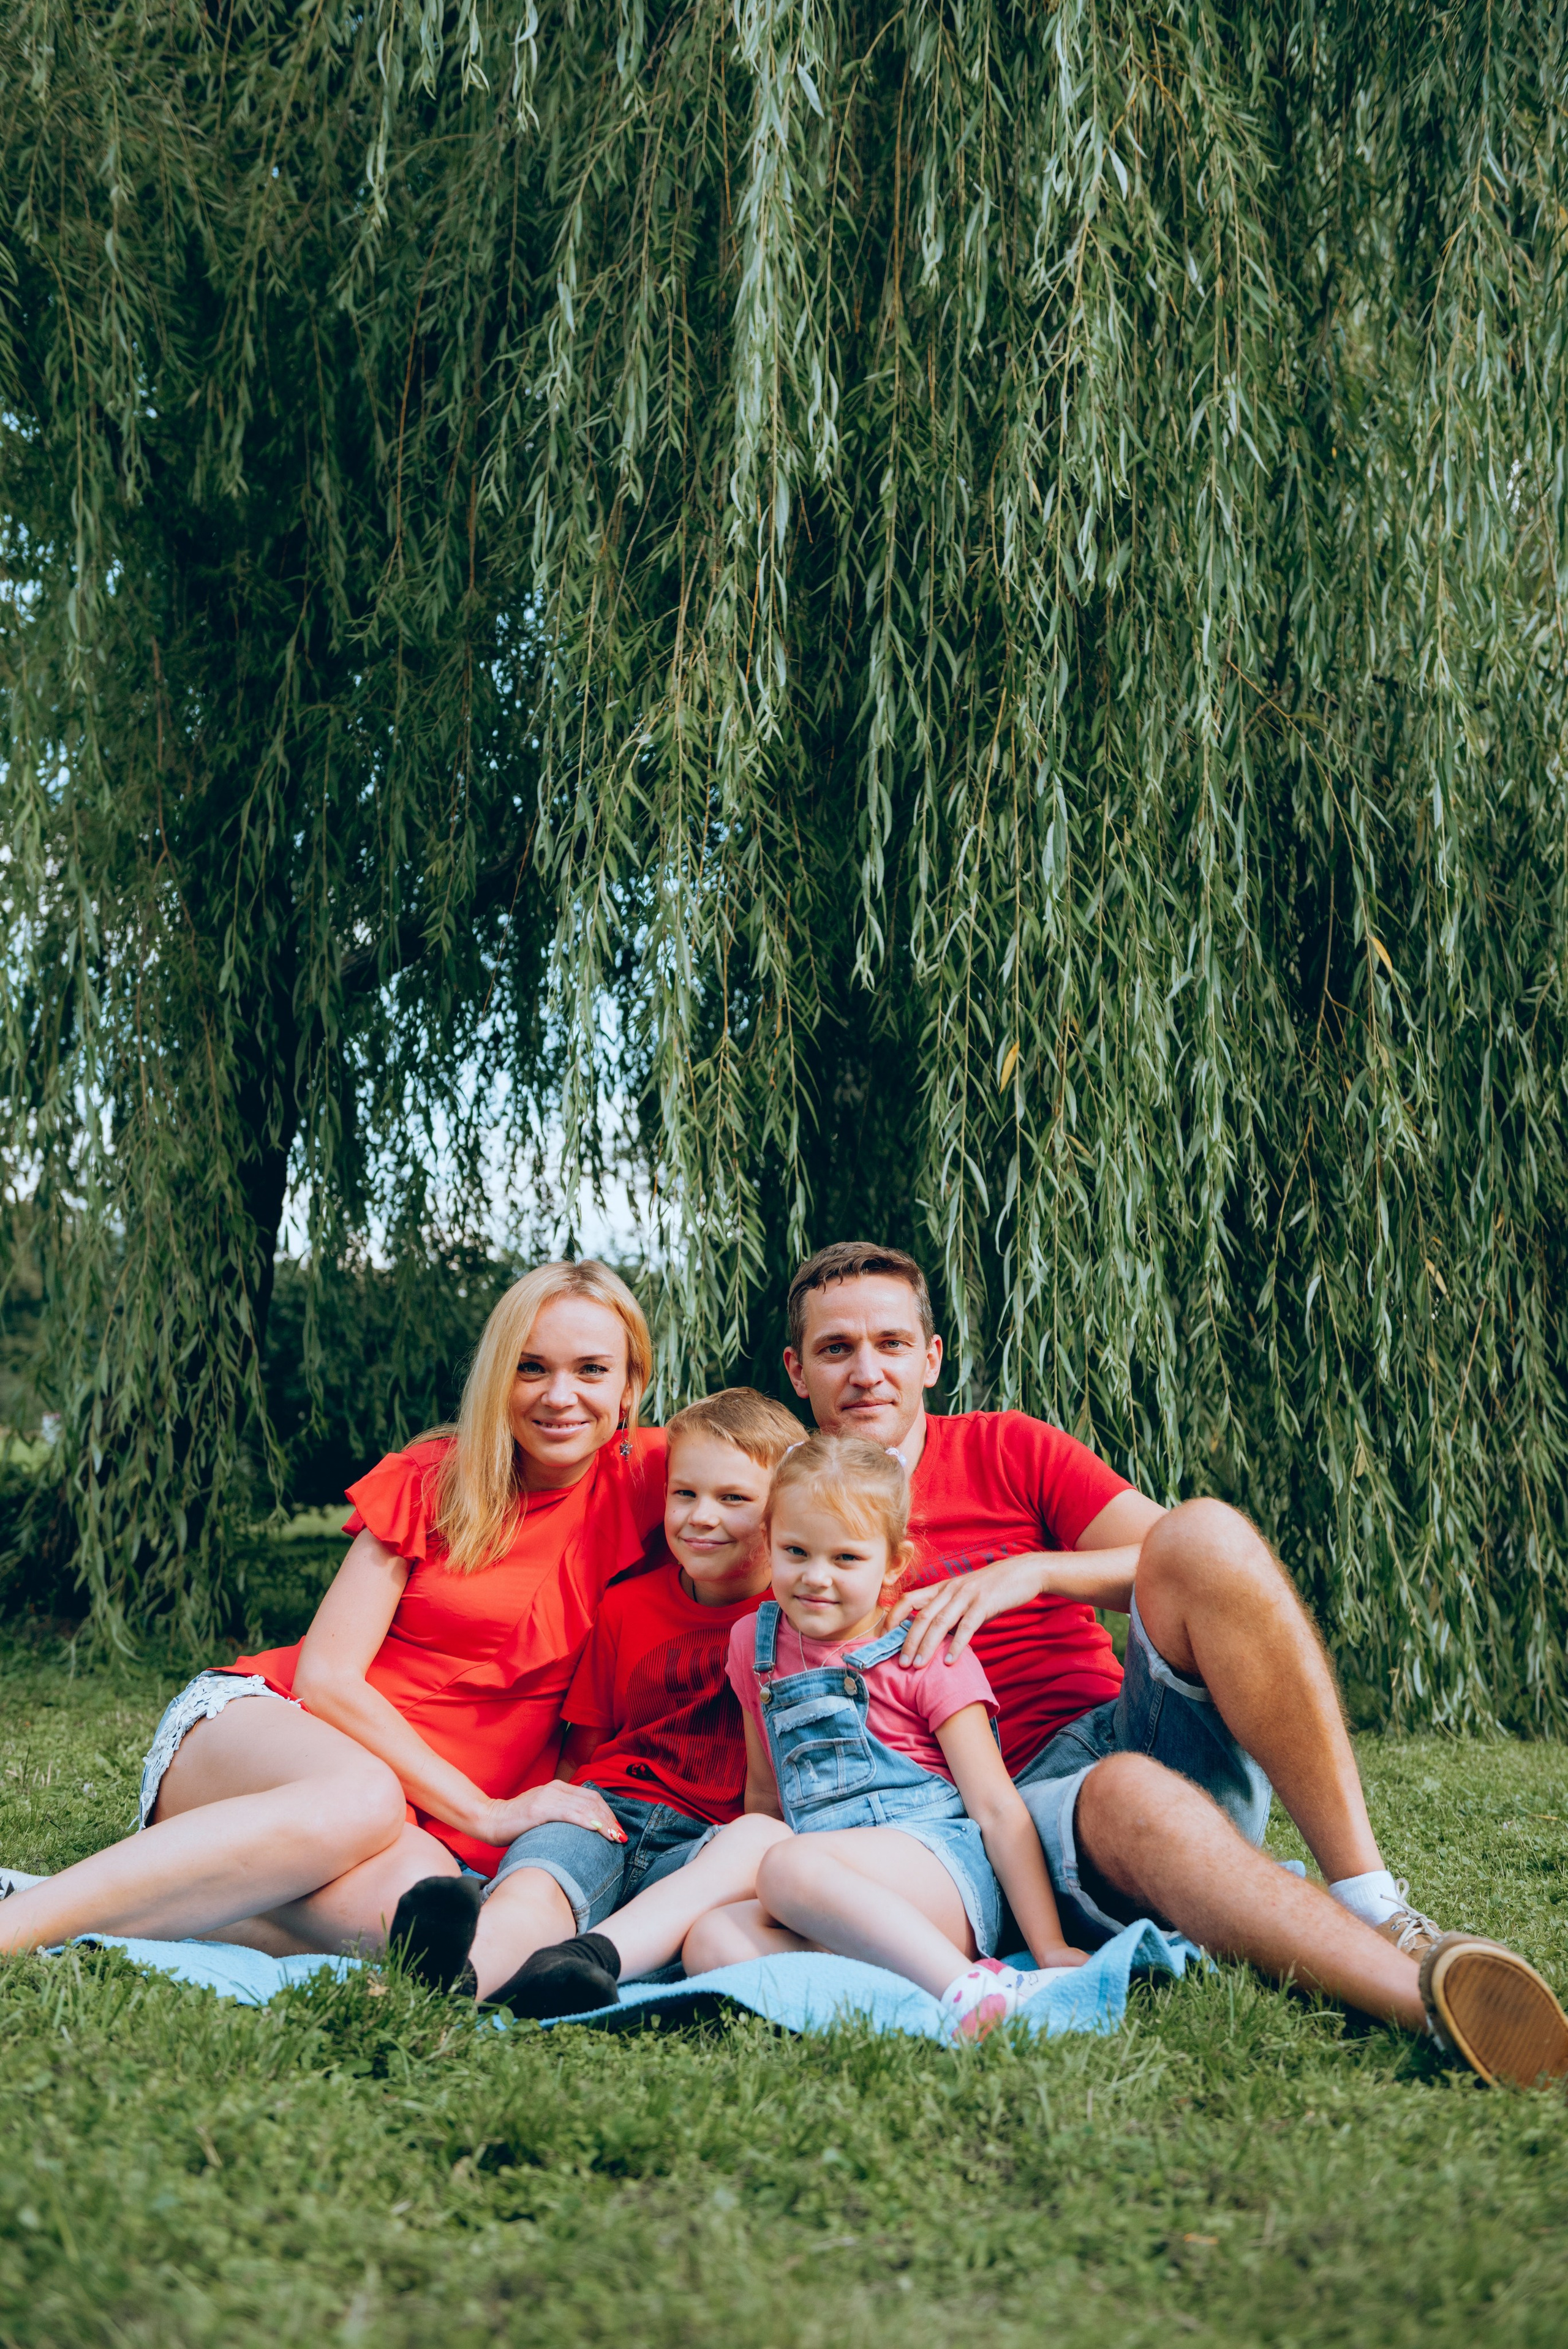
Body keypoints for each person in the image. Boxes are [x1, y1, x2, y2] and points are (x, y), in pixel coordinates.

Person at [770, 1240, 1568, 2087]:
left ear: (931, 1358)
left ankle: (1374, 1900)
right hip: (997, 1812)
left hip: (1125, 1726)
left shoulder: (1010, 1448)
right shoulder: (795, 1515)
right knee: (1123, 1791)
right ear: (796, 1369)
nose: (867, 1371)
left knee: (1207, 1530)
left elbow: (1171, 1558)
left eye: (891, 1343)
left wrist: (1036, 1568)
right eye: (836, 1348)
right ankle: (1429, 2003)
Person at [0, 1260, 665, 1960]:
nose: (560, 1396)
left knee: (429, 1920)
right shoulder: (436, 1478)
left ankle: (108, 1897)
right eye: (531, 1367)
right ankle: (16, 1930)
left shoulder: (670, 1486)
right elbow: (326, 1678)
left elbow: (780, 1470)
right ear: (499, 1377)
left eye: (591, 1370)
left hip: (422, 1825)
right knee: (362, 1795)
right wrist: (487, 1812)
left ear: (630, 1387)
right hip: (273, 1739)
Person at [393, 1387, 802, 2010]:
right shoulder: (628, 1606)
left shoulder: (794, 1624)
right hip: (606, 1809)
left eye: (734, 1499)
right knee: (540, 1884)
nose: (701, 1516)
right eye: (684, 1493)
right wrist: (556, 1811)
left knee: (750, 1848)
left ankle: (574, 1967)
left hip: (704, 1840)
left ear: (783, 1512)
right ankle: (462, 1973)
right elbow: (584, 1746)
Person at [683, 1435, 1090, 2042]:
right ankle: (905, 2005)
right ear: (768, 1542)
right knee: (712, 1940)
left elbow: (997, 1808)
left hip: (938, 1873)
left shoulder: (926, 1652)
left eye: (845, 1558)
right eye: (796, 1551)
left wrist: (1049, 1944)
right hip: (824, 1886)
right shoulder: (753, 1644)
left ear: (894, 1563)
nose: (815, 1578)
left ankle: (978, 1994)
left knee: (788, 1865)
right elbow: (765, 1798)